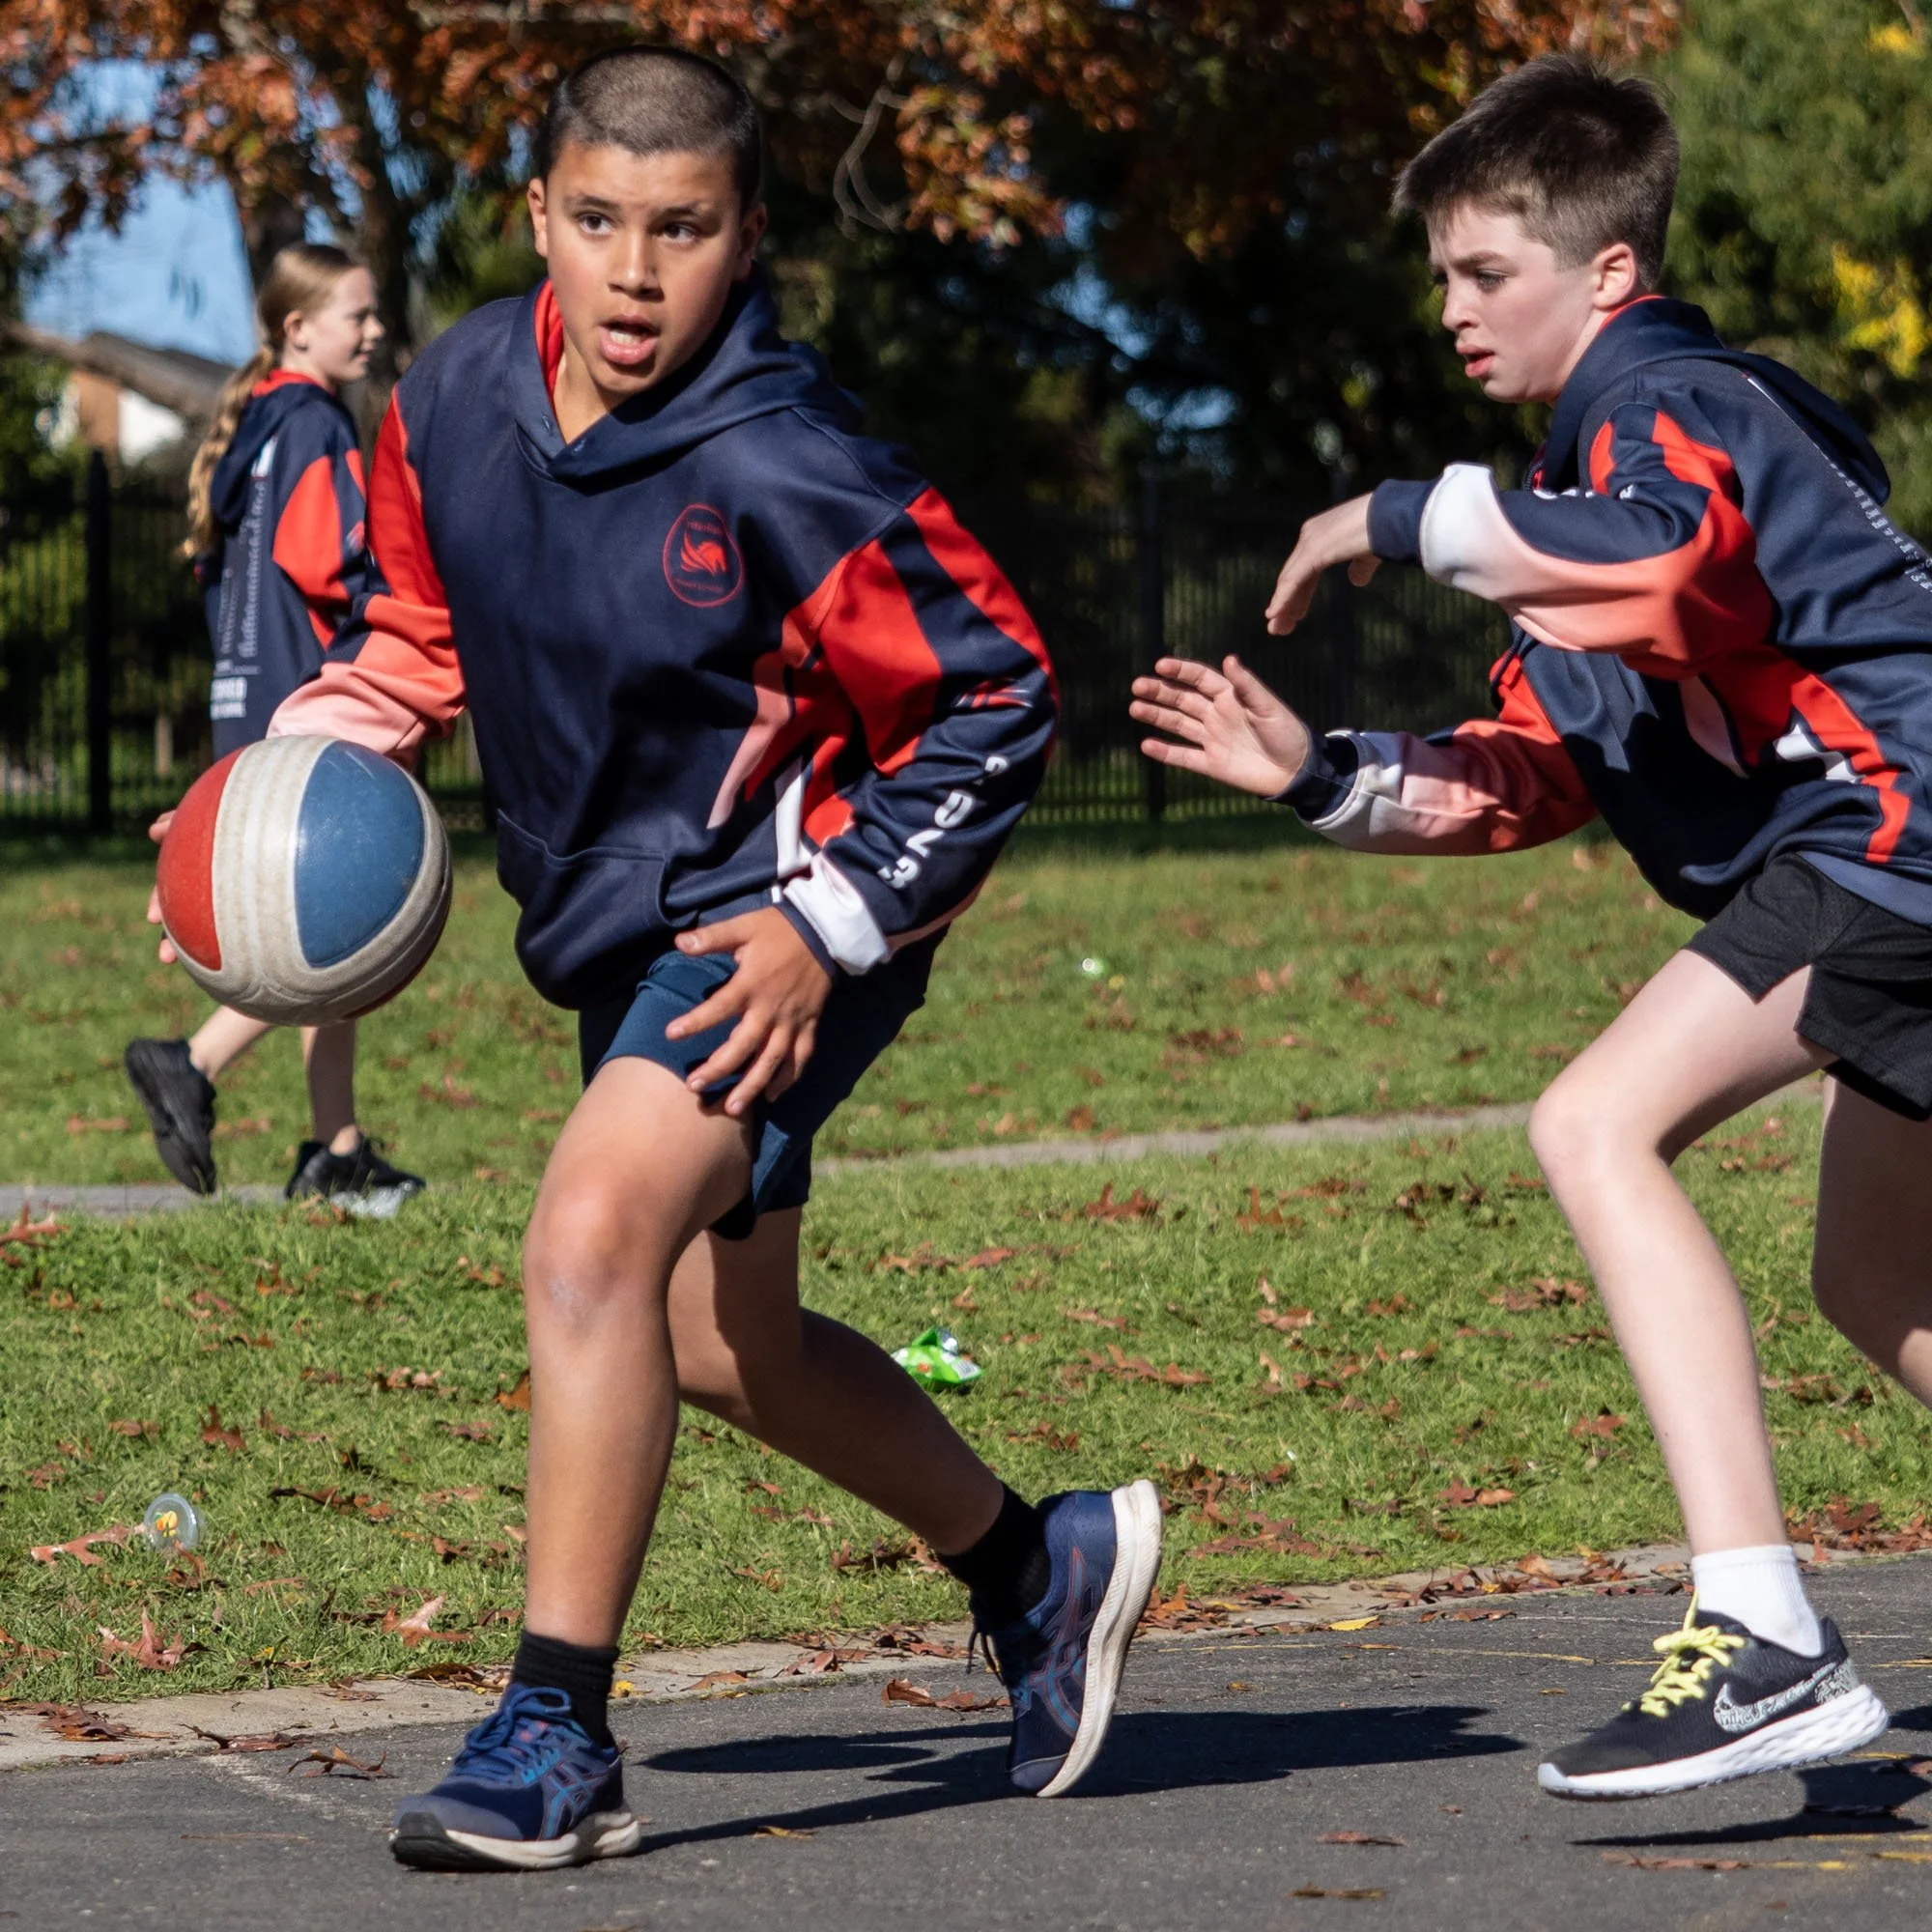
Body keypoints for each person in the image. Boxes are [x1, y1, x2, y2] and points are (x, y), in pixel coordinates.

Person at [222, 47, 1160, 1871]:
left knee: (586, 1237)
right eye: (597, 224)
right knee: (719, 1344)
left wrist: (831, 928)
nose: (636, 274)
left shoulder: (790, 458)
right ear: (537, 223)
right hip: (609, 917)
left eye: (683, 230)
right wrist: (286, 782)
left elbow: (999, 694)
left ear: (744, 238)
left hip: (779, 916)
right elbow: (420, 633)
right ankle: (1036, 1567)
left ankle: (553, 1734)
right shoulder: (448, 398)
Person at [1132, 52, 1932, 1802]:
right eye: (1440, 277)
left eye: (1487, 271)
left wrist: (1387, 512)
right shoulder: (1585, 486)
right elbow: (1531, 772)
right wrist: (1313, 775)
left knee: (1592, 1119)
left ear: (1612, 274)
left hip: (1903, 830)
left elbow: (1650, 567)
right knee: (1875, 1278)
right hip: (1892, 847)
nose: (1452, 310)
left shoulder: (1670, 411)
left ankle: (1767, 1639)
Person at [126, 243, 424, 1209]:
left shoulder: (252, 427)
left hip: (245, 703)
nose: (374, 332)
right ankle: (192, 1061)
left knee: (333, 925)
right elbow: (329, 557)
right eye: (358, 316)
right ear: (298, 329)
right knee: (333, 920)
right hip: (306, 707)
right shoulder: (311, 423)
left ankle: (334, 1148)